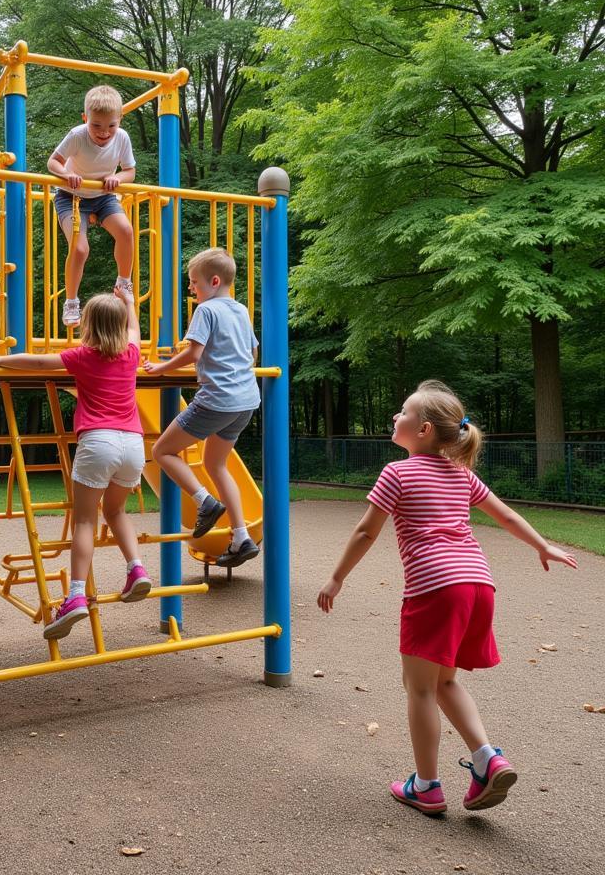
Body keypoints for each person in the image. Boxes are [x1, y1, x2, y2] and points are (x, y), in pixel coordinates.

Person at [317, 380, 578, 815]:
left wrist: (336, 578)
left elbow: (365, 531)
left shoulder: (397, 473)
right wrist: (541, 545)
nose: (395, 418)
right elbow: (507, 515)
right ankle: (487, 759)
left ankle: (426, 786)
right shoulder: (461, 474)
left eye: (402, 412)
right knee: (445, 681)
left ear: (422, 431)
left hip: (436, 587)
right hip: (478, 584)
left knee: (419, 689)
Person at [0, 288, 151, 639]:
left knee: (85, 519)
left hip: (98, 441)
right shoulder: (131, 354)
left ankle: (74, 597)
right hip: (134, 444)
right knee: (116, 511)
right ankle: (137, 569)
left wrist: (0, 360)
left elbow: (40, 363)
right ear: (119, 326)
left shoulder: (83, 356)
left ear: (88, 325)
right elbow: (135, 331)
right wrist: (130, 304)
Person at [144, 248, 260, 566]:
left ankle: (204, 501)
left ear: (214, 281)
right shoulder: (240, 311)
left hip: (217, 400)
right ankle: (241, 538)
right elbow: (252, 354)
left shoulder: (205, 311)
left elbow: (194, 354)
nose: (192, 289)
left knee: (162, 452)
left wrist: (161, 367)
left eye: (194, 283)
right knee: (216, 464)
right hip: (246, 400)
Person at [47, 84, 136, 328]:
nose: (104, 132)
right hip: (70, 196)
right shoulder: (77, 135)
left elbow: (129, 171)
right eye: (96, 125)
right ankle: (72, 301)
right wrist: (65, 174)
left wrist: (117, 178)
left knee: (126, 232)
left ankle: (123, 283)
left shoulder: (122, 138)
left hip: (103, 197)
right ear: (85, 118)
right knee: (80, 248)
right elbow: (53, 162)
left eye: (111, 126)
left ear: (119, 120)